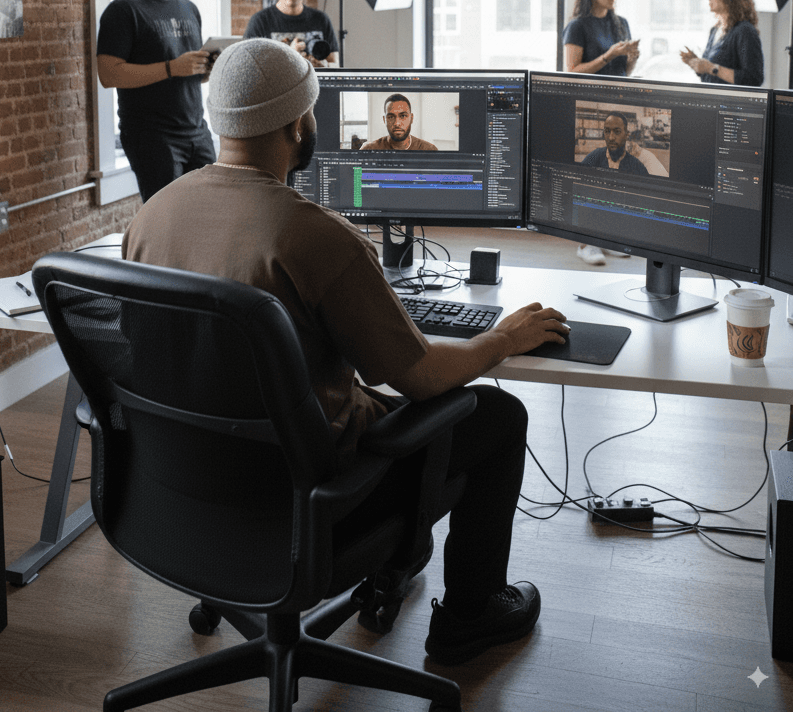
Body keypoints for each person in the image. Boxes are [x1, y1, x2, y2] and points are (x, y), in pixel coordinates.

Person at [123, 39, 570, 667]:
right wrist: (502, 339)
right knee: (497, 416)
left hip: (186, 485)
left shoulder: (151, 216)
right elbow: (421, 377)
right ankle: (469, 617)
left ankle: (399, 568)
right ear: (299, 124)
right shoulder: (315, 235)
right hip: (312, 496)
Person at [96, 0, 215, 203]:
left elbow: (188, 72)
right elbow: (108, 74)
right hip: (153, 137)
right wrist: (172, 68)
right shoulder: (124, 10)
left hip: (197, 131)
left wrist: (204, 70)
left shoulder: (189, 9)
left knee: (210, 210)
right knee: (168, 220)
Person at [562, 0, 640, 264]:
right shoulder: (577, 26)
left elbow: (624, 72)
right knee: (590, 174)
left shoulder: (621, 24)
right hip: (589, 107)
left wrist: (629, 59)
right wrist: (609, 55)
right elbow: (573, 70)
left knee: (615, 174)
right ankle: (585, 243)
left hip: (619, 105)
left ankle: (607, 238)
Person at [679, 0, 764, 87]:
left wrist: (711, 68)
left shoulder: (745, 31)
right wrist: (696, 63)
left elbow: (753, 79)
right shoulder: (715, 30)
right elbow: (710, 76)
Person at [360, 94, 438, 151]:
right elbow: (356, 173)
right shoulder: (368, 149)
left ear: (411, 118)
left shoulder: (429, 150)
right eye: (391, 117)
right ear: (384, 120)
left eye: (403, 116)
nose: (397, 123)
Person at [580, 112, 650, 175]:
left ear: (626, 135)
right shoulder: (593, 158)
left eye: (617, 132)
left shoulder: (637, 167)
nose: (611, 138)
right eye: (607, 131)